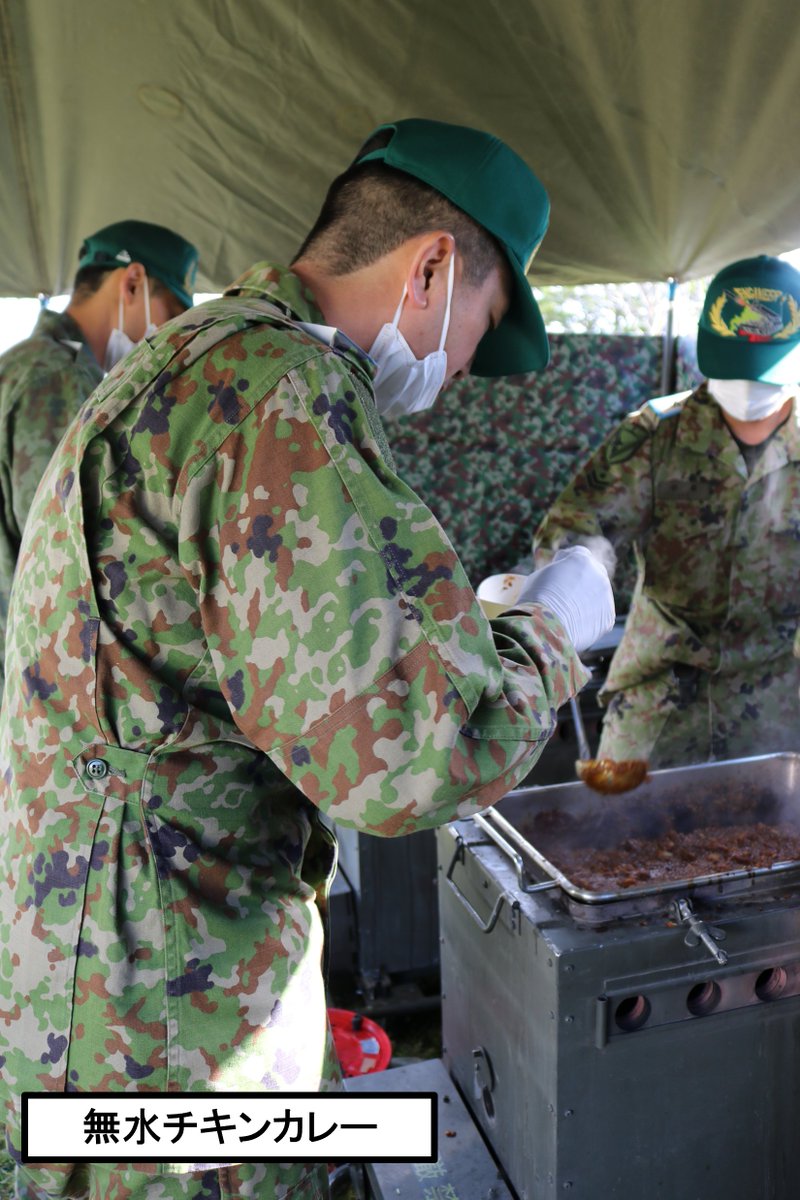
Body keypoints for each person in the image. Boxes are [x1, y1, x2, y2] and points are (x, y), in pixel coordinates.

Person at [0, 119, 613, 1200]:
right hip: (173, 1040)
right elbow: (405, 765)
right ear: (428, 266)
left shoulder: (197, 364)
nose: (465, 366)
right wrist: (553, 628)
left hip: (96, 980)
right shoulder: (278, 398)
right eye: (480, 323)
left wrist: (444, 631)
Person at [534, 254, 800, 770]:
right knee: (621, 843)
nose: (748, 388)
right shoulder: (656, 433)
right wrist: (577, 584)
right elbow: (579, 529)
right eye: (733, 367)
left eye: (764, 372)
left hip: (777, 714)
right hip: (656, 710)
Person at [0, 219, 199, 690]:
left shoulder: (27, 361)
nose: (170, 337)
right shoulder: (63, 378)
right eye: (171, 314)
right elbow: (65, 557)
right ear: (132, 283)